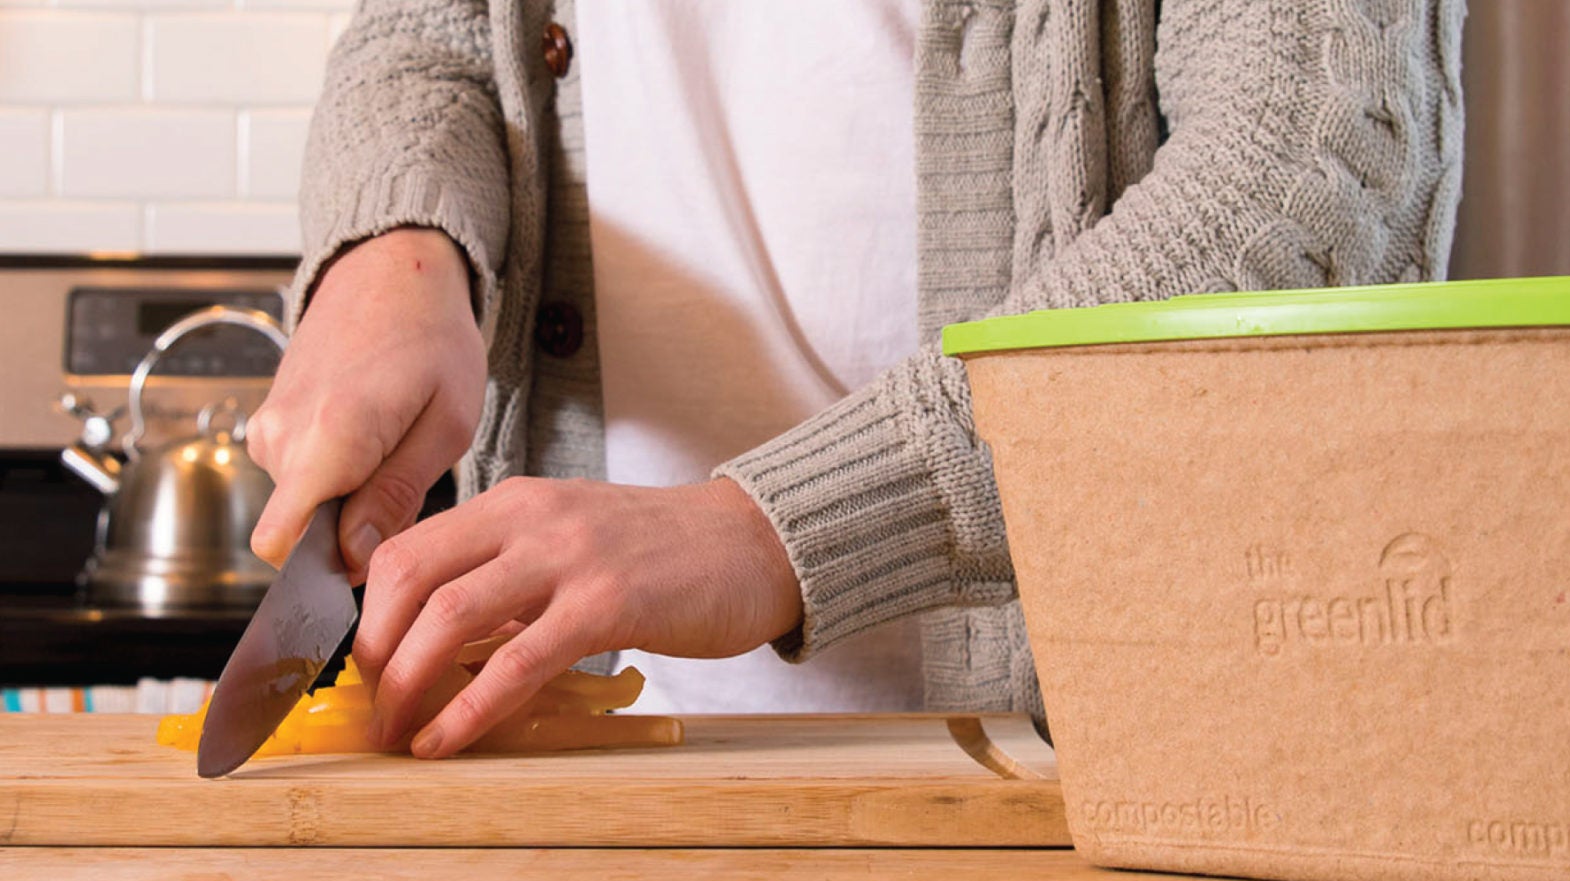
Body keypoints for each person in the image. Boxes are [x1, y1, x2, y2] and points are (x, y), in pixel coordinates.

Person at [246, 0, 1465, 759]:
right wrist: (392, 247)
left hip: (1097, 788)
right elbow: (431, 33)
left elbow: (1315, 176)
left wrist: (771, 530)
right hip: (606, 792)